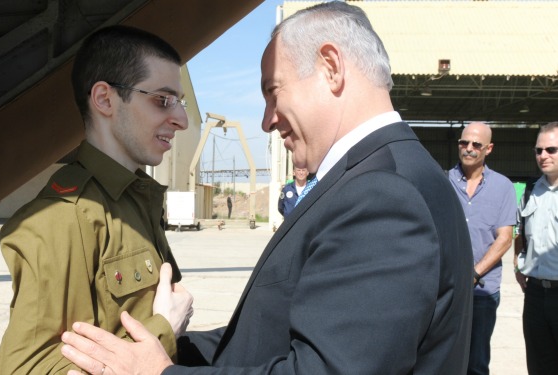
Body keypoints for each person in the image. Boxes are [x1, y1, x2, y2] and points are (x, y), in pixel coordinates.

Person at [60, 2, 473, 374]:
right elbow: (274, 336)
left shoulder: (383, 195)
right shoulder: (383, 175)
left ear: (331, 66)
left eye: (272, 92)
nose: (267, 121)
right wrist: (165, 345)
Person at [0, 25, 194, 374]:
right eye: (162, 100)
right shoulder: (64, 216)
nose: (181, 120)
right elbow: (24, 368)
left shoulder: (136, 199)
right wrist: (164, 329)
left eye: (180, 102)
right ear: (104, 99)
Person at [448, 122, 517, 375]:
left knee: (476, 363)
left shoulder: (503, 187)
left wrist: (474, 273)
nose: (468, 148)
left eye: (476, 144)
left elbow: (505, 239)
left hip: (483, 293)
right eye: (463, 143)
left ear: (489, 148)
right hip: (448, 290)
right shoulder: (444, 182)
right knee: (445, 360)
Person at [514, 121, 558, 375]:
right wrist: (518, 266)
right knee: (539, 366)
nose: (543, 156)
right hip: (535, 297)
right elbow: (519, 230)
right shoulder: (530, 191)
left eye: (551, 150)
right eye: (538, 150)